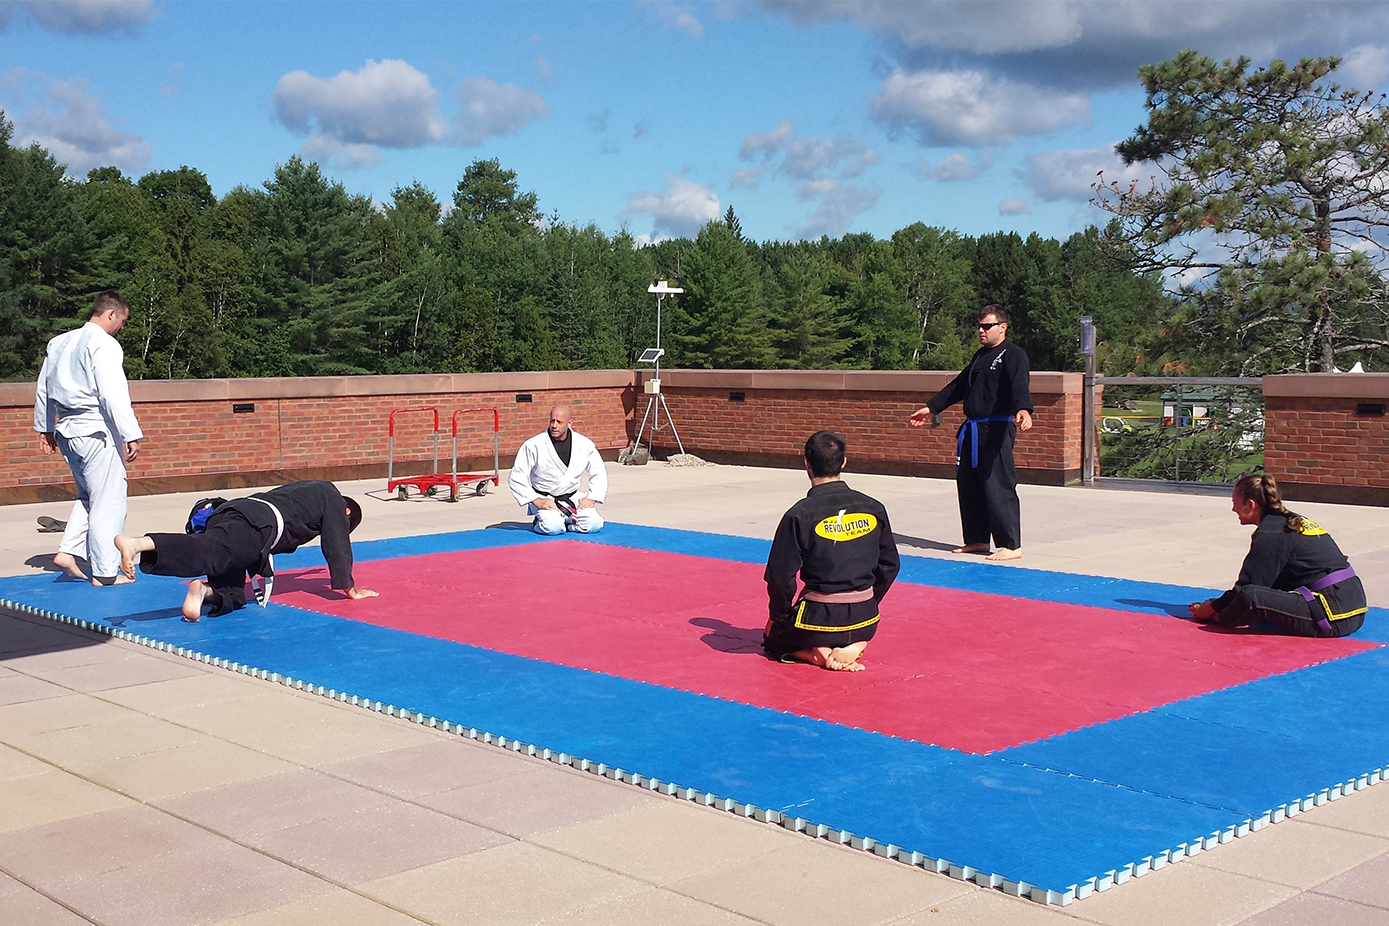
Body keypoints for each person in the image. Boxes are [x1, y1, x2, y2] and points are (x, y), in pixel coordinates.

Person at [113, 480, 378, 622]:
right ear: (346, 512)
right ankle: (140, 544)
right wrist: (349, 588)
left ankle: (202, 592)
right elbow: (336, 544)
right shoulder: (332, 497)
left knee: (235, 595)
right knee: (210, 552)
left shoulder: (309, 490)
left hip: (234, 513)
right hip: (255, 524)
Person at [763, 431, 900, 672]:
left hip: (817, 619)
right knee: (848, 625)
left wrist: (778, 617)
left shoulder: (799, 515)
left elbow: (780, 577)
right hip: (866, 619)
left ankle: (814, 651)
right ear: (843, 462)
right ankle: (855, 643)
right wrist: (869, 600)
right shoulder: (873, 507)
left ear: (806, 463)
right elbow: (890, 565)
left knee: (772, 641)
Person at [33, 291, 144, 586]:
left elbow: (44, 389)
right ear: (111, 313)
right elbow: (112, 393)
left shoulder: (59, 343)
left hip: (67, 430)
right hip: (95, 430)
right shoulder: (103, 344)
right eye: (123, 320)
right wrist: (131, 433)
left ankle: (69, 550)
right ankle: (105, 572)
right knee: (109, 501)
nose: (121, 326)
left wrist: (45, 427)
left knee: (89, 496)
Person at [909, 304, 1033, 561]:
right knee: (970, 484)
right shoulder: (980, 356)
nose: (981, 330)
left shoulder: (1013, 355)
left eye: (987, 326)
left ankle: (1011, 544)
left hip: (996, 429)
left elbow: (1019, 385)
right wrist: (931, 407)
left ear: (1002, 327)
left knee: (998, 485)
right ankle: (977, 539)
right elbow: (958, 387)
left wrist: (1023, 409)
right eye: (979, 326)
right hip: (973, 429)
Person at [1189, 473, 1366, 637]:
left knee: (1252, 596)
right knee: (1267, 589)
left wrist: (1213, 608)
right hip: (1350, 606)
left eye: (1235, 503)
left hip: (1332, 616)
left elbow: (1248, 587)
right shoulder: (1290, 520)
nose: (1233, 509)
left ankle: (1220, 618)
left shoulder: (1271, 533)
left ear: (1250, 505)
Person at [508, 404, 606, 535]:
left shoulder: (583, 444)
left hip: (572, 497)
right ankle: (540, 522)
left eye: (559, 422)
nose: (554, 425)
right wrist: (537, 501)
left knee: (594, 524)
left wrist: (592, 497)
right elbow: (516, 476)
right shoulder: (534, 444)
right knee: (553, 528)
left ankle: (569, 524)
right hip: (545, 499)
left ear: (569, 423)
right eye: (552, 421)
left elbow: (598, 471)